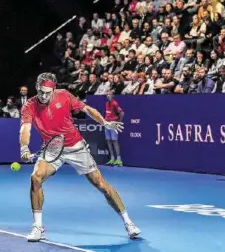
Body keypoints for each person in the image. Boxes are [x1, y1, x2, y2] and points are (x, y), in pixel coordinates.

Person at [20, 72, 140, 242]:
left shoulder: (64, 96)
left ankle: (129, 223)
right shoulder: (29, 106)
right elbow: (25, 129)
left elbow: (87, 109)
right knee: (35, 178)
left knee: (101, 185)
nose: (44, 95)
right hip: (52, 150)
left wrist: (104, 122)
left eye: (48, 92)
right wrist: (24, 147)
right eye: (41, 91)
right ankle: (38, 227)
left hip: (76, 147)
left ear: (54, 90)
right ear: (36, 88)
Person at [105, 89, 125, 166]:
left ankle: (119, 160)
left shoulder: (115, 103)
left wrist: (118, 123)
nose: (108, 96)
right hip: (107, 123)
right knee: (108, 140)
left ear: (113, 96)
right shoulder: (107, 103)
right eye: (107, 94)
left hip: (113, 123)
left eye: (110, 94)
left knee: (114, 141)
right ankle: (112, 159)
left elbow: (122, 113)